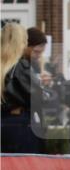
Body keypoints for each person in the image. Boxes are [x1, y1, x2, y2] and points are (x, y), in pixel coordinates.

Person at [1, 22, 45, 153]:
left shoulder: (4, 66)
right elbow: (39, 98)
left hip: (4, 120)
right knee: (25, 168)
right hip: (20, 123)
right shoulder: (20, 66)